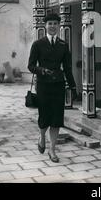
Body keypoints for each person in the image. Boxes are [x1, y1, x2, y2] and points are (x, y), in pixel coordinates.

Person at [28, 13, 76, 163]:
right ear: (45, 26)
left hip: (58, 86)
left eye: (55, 23)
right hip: (43, 86)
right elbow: (30, 66)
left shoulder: (63, 45)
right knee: (44, 117)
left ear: (59, 26)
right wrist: (42, 70)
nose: (53, 26)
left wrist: (73, 86)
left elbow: (67, 68)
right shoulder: (38, 44)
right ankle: (42, 137)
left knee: (56, 118)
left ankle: (52, 150)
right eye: (50, 24)